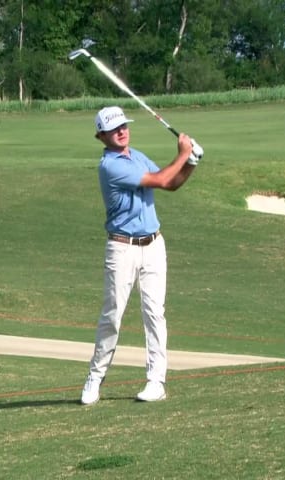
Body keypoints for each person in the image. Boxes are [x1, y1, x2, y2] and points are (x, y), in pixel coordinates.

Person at [81, 106, 200, 405]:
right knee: (113, 315)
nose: (121, 131)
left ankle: (156, 381)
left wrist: (191, 163)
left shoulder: (137, 157)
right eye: (113, 129)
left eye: (124, 125)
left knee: (154, 313)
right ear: (102, 136)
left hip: (153, 245)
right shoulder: (109, 166)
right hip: (121, 248)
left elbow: (170, 183)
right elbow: (160, 180)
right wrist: (184, 152)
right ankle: (95, 378)